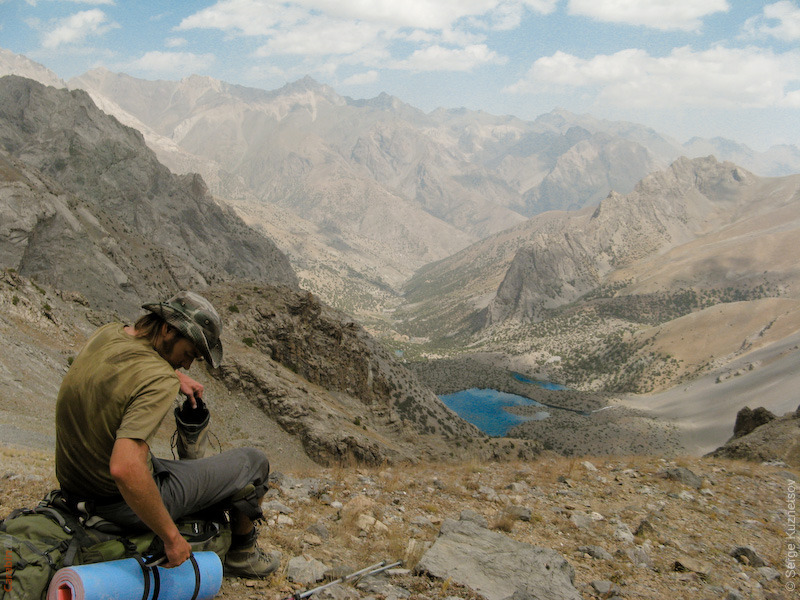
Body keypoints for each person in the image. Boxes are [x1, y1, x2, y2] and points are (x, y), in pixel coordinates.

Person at [54, 290, 280, 577]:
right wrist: (171, 538)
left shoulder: (108, 334)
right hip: (116, 502)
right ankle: (242, 554)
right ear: (167, 329)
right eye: (188, 354)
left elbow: (126, 366)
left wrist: (174, 374)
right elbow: (124, 467)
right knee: (254, 461)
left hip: (75, 487)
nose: (187, 364)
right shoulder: (158, 378)